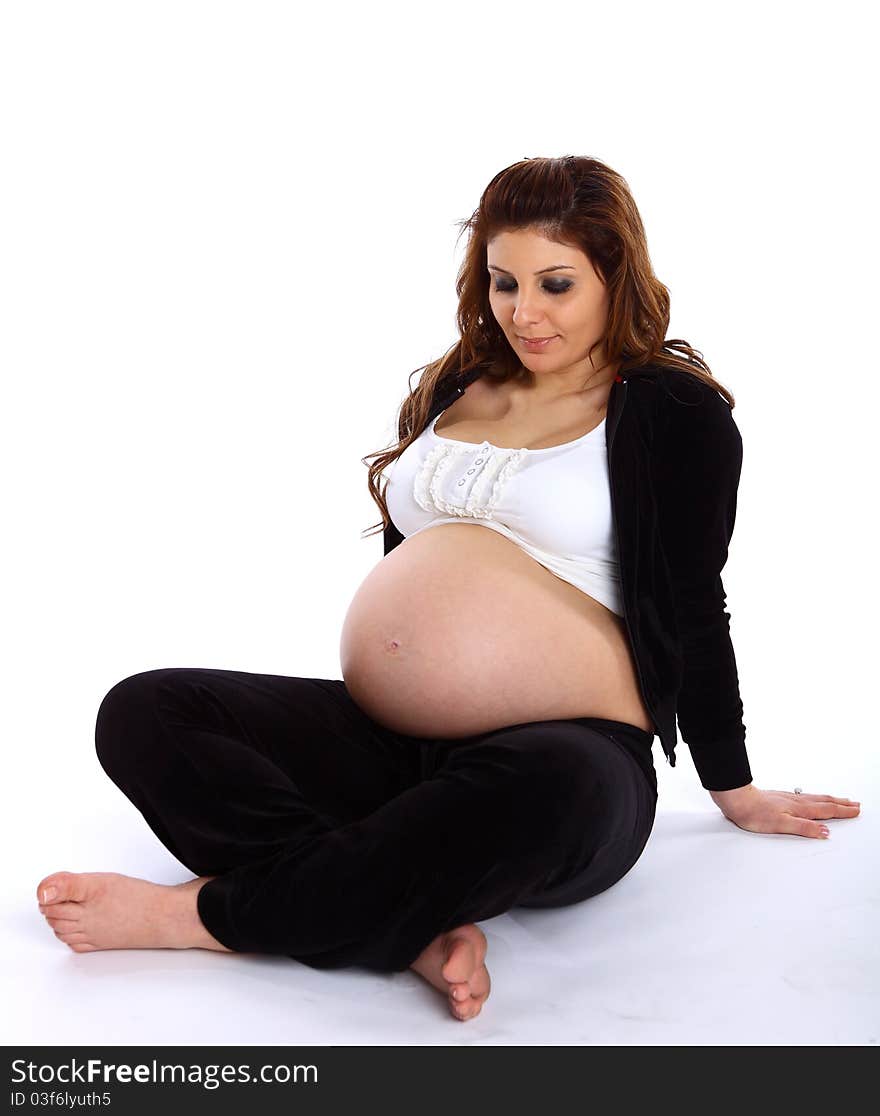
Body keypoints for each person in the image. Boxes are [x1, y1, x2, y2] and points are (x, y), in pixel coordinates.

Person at [36, 156, 860, 1023]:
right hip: (395, 743)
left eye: (556, 285)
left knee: (544, 795)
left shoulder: (673, 412)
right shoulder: (457, 384)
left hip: (568, 756)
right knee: (146, 711)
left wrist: (733, 786)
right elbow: (415, 569)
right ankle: (408, 925)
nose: (524, 312)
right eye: (504, 282)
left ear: (614, 276)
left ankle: (202, 917)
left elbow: (696, 601)